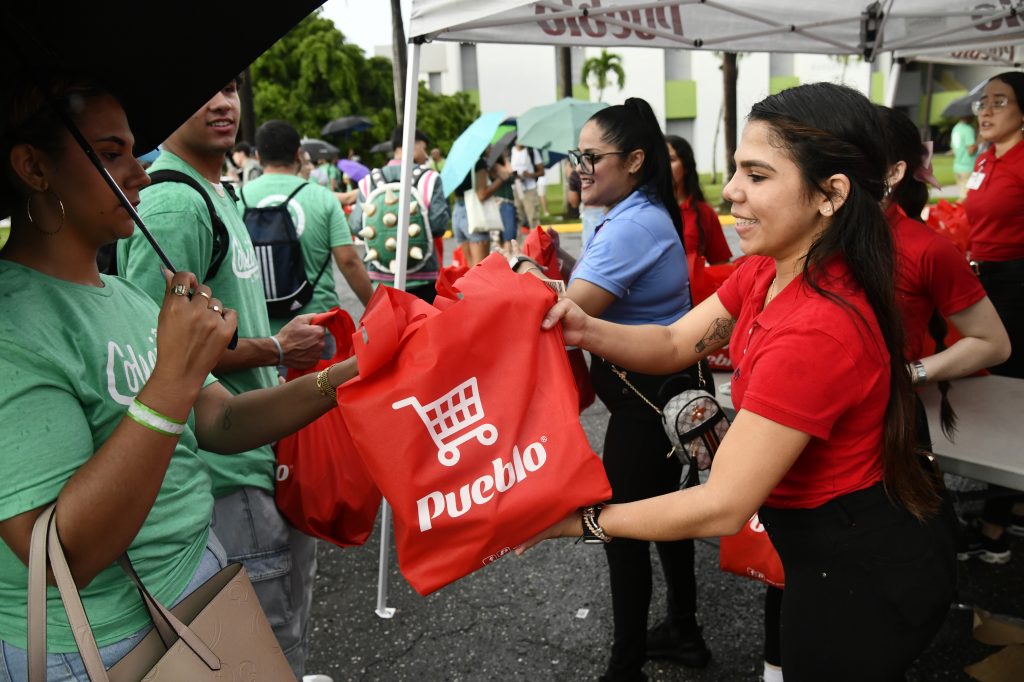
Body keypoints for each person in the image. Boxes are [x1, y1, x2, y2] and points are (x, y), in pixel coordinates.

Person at [520, 83, 958, 682]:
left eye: (756, 174)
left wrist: (584, 521)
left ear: (831, 194)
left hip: (861, 569)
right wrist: (584, 328)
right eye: (734, 170)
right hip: (825, 550)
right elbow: (676, 342)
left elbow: (723, 504)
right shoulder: (767, 270)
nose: (730, 192)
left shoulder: (819, 326)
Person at [0, 75, 357, 682]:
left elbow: (218, 419)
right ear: (34, 168)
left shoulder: (126, 297)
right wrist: (172, 375)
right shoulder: (15, 323)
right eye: (110, 155)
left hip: (201, 583)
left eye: (133, 151)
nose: (140, 174)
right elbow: (64, 555)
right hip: (103, 641)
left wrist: (348, 377)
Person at [117, 80, 329, 678]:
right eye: (201, 91)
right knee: (256, 642)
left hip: (254, 450)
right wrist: (275, 346)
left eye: (230, 87)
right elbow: (157, 347)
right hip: (223, 469)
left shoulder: (213, 194)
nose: (221, 103)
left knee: (283, 616)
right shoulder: (174, 203)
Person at [535, 97, 711, 682]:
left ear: (635, 160)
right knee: (669, 518)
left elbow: (561, 316)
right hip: (662, 402)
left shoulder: (634, 223)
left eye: (590, 157)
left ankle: (625, 664)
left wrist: (522, 281)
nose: (578, 167)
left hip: (646, 410)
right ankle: (683, 630)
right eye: (576, 156)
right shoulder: (640, 211)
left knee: (622, 530)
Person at [962, 71, 1024, 560]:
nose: (986, 110)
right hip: (986, 279)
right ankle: (1009, 507)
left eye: (999, 101)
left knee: (1011, 394)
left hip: (1017, 284)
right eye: (984, 101)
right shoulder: (986, 158)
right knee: (994, 386)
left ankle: (996, 527)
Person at [239, 120, 373, 340]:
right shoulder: (322, 198)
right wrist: (373, 306)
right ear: (299, 154)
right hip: (317, 323)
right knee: (326, 376)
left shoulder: (238, 199)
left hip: (262, 334)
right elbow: (349, 261)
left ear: (258, 157)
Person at [348, 126, 450, 304]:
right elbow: (438, 225)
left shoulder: (368, 181)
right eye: (424, 147)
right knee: (423, 328)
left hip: (381, 276)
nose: (425, 155)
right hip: (423, 275)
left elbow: (357, 226)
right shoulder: (430, 179)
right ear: (415, 144)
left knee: (389, 330)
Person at [666, 135, 732, 265]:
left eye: (670, 159)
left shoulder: (704, 213)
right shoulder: (643, 209)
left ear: (686, 166)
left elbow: (721, 264)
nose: (663, 166)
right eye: (658, 160)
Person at [511, 141, 545, 230]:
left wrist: (530, 175)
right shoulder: (510, 152)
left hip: (530, 188)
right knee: (518, 218)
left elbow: (542, 171)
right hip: (516, 188)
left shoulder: (531, 151)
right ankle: (519, 242)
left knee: (533, 217)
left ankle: (535, 241)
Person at [951, 116, 979, 200]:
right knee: (968, 197)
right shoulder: (968, 129)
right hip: (968, 167)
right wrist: (979, 142)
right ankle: (955, 212)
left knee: (963, 193)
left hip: (957, 166)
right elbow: (971, 150)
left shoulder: (956, 128)